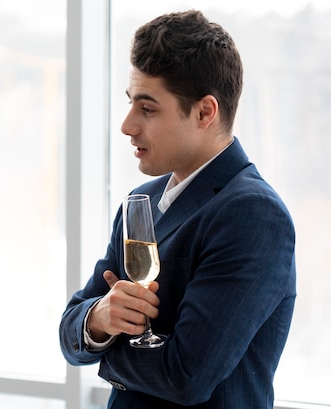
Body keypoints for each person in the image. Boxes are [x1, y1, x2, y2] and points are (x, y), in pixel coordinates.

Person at [59, 10, 296, 409]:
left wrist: (109, 353)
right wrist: (99, 317)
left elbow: (185, 377)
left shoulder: (253, 214)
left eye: (147, 109)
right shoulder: (142, 201)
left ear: (205, 112)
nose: (127, 125)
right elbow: (70, 331)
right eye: (131, 103)